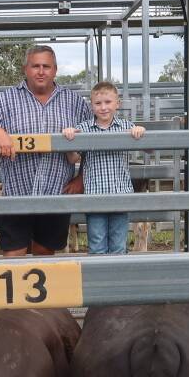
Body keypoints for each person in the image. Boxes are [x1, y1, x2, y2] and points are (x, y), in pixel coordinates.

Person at [0, 45, 91, 257]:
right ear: (26, 69)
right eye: (35, 66)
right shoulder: (8, 99)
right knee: (13, 259)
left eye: (46, 66)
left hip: (56, 192)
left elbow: (93, 138)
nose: (41, 71)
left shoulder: (74, 102)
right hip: (17, 192)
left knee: (44, 257)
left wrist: (81, 177)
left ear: (55, 70)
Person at [62, 82, 146, 254]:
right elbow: (72, 158)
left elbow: (150, 148)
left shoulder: (127, 127)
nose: (103, 107)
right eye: (98, 103)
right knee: (97, 243)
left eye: (108, 102)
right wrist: (69, 138)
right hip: (94, 196)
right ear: (91, 106)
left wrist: (140, 131)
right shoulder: (83, 128)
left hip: (120, 195)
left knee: (118, 244)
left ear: (117, 104)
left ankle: (116, 280)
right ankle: (98, 280)